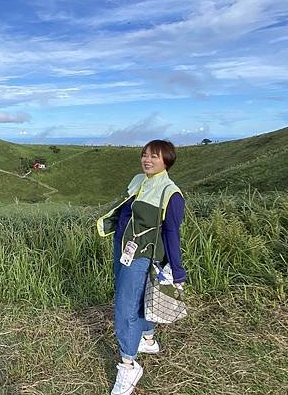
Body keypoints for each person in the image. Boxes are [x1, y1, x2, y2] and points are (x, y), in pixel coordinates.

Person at [96, 140, 186, 395]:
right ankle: (147, 339)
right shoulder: (139, 179)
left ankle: (128, 366)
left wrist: (177, 270)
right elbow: (124, 209)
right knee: (137, 298)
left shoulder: (171, 193)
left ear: (166, 161)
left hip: (142, 255)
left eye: (154, 157)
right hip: (123, 247)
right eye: (145, 155)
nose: (147, 160)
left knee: (125, 307)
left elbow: (171, 233)